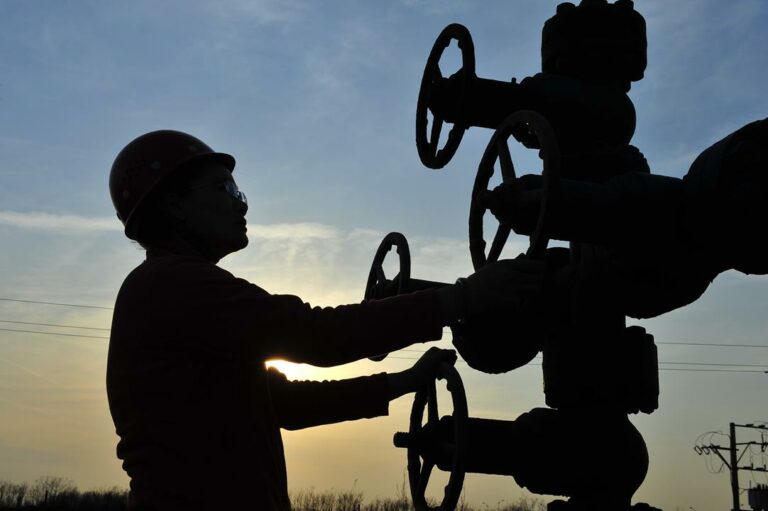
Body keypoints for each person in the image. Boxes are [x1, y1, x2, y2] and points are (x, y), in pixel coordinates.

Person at [106, 130, 545, 510]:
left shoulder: (172, 293)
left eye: (240, 193)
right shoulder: (174, 285)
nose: (241, 206)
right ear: (175, 207)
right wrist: (465, 297)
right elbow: (315, 336)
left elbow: (288, 405)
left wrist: (403, 382)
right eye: (224, 190)